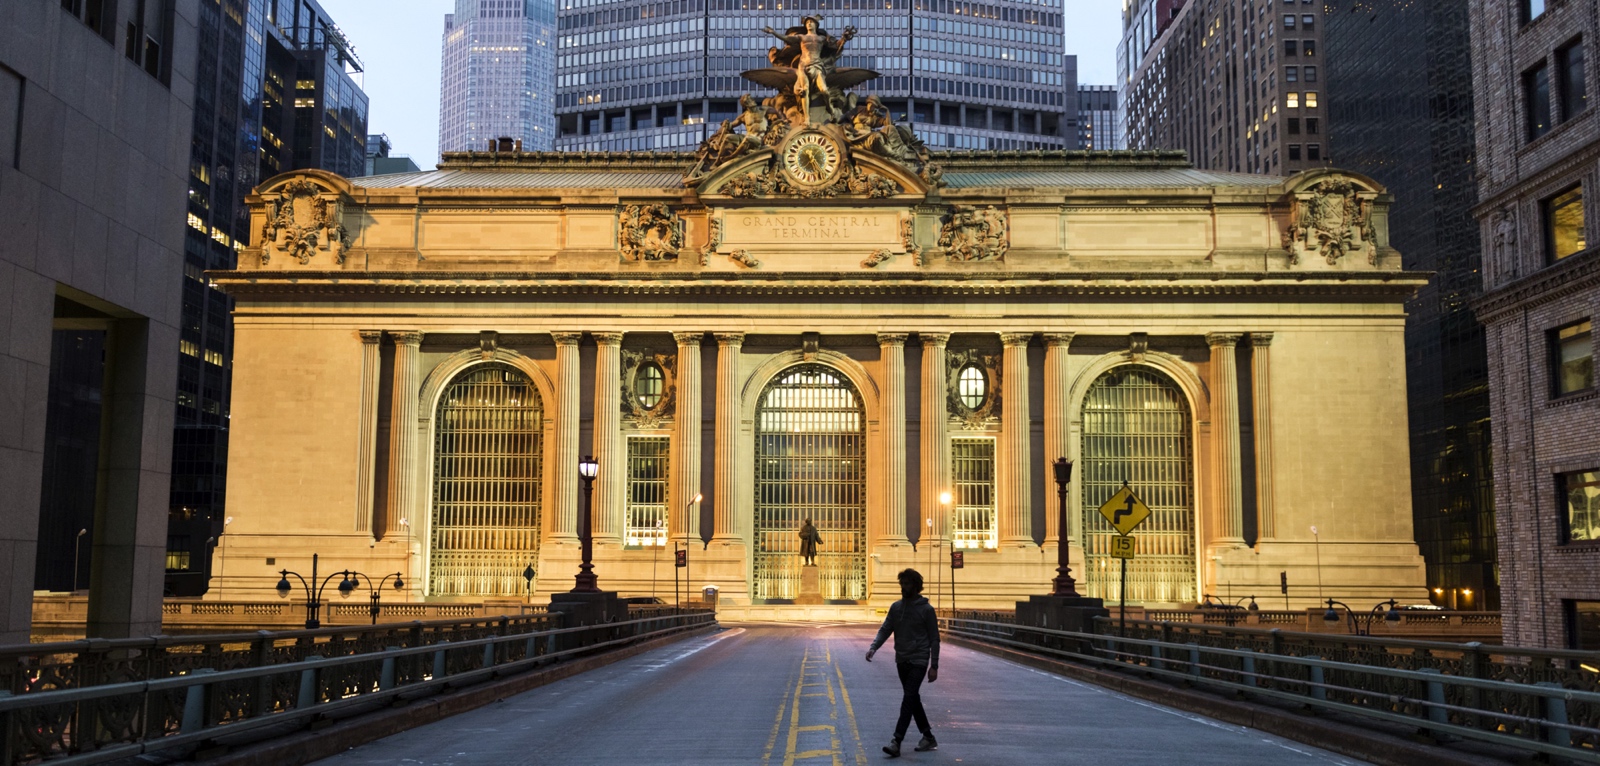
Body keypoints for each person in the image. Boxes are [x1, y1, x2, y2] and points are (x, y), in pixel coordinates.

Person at [865, 568, 939, 757]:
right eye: (902, 584)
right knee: (912, 698)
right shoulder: (896, 607)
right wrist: (874, 647)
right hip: (902, 660)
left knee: (908, 698)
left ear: (915, 586)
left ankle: (896, 741)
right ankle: (928, 737)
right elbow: (886, 629)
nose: (903, 588)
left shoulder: (927, 610)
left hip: (919, 660)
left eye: (907, 584)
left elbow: (934, 639)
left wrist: (934, 665)